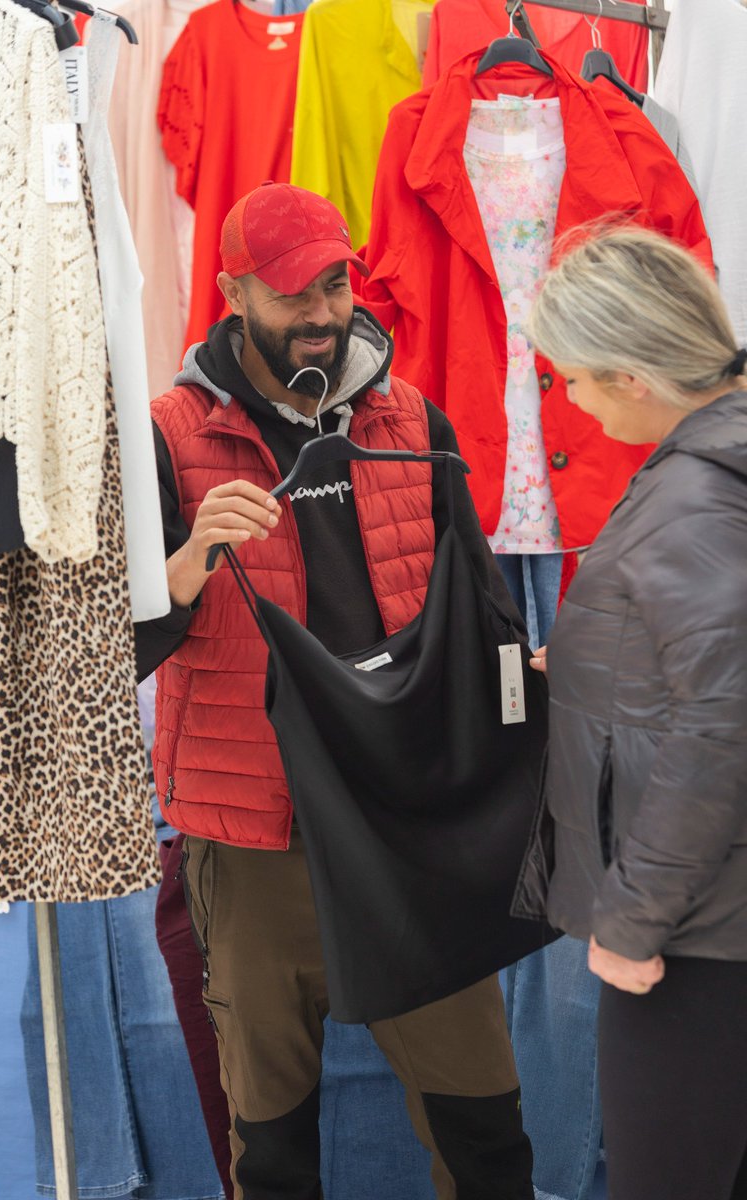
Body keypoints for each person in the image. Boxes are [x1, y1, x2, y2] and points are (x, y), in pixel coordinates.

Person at [135, 182, 538, 1200]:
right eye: (287, 293)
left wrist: (510, 727)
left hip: (409, 828)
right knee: (271, 1151)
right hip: (255, 831)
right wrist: (187, 563)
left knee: (486, 1134)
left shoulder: (410, 417)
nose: (318, 311)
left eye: (331, 281)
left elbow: (482, 612)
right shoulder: (166, 435)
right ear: (230, 293)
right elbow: (112, 652)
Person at [518, 227, 747, 1200]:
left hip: (696, 934)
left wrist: (630, 923)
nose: (563, 399)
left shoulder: (692, 497)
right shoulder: (712, 468)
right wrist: (578, 660)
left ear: (630, 377)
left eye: (570, 378)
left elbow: (722, 718)